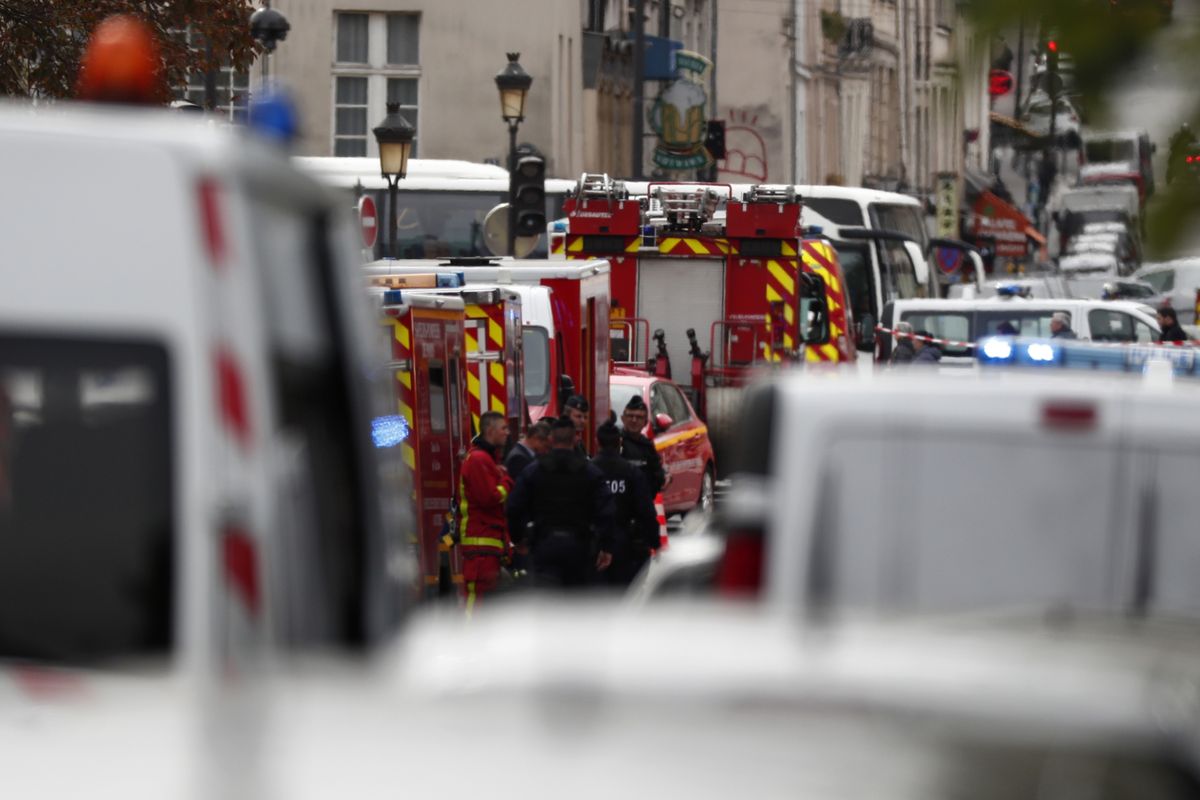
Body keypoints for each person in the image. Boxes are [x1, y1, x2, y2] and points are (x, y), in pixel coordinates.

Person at [507, 418, 614, 590]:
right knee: (574, 606)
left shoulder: (533, 471)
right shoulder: (589, 472)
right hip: (579, 549)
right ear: (574, 440)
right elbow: (606, 511)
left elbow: (514, 507)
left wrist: (518, 538)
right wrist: (606, 546)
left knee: (547, 604)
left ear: (550, 439)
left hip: (545, 546)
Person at [457, 411, 514, 614]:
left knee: (485, 605)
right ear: (490, 431)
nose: (508, 433)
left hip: (485, 547)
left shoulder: (484, 459)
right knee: (476, 603)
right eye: (503, 428)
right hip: (481, 546)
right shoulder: (480, 460)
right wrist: (507, 481)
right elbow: (490, 497)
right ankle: (469, 641)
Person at [592, 421, 658, 587]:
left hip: (594, 542)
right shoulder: (631, 471)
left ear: (596, 442)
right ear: (619, 443)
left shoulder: (588, 470)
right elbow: (646, 510)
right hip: (626, 542)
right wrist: (654, 541)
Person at [619, 394, 667, 497]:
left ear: (645, 422)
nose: (634, 420)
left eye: (639, 417)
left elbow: (658, 474)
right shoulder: (616, 442)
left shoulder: (647, 446)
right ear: (622, 418)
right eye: (630, 416)